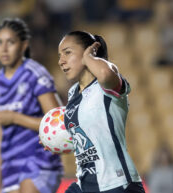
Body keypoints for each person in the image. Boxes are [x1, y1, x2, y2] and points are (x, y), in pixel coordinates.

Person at [57, 31, 145, 193]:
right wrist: (55, 140)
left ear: (89, 51)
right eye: (59, 55)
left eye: (67, 53)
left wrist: (89, 57)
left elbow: (104, 74)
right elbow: (89, 136)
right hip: (84, 184)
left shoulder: (107, 83)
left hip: (117, 184)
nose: (61, 61)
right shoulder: (72, 93)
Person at [0, 18, 63, 193]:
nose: (4, 48)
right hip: (11, 167)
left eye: (10, 42)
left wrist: (15, 118)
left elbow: (57, 124)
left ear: (23, 46)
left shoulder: (35, 75)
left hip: (39, 162)